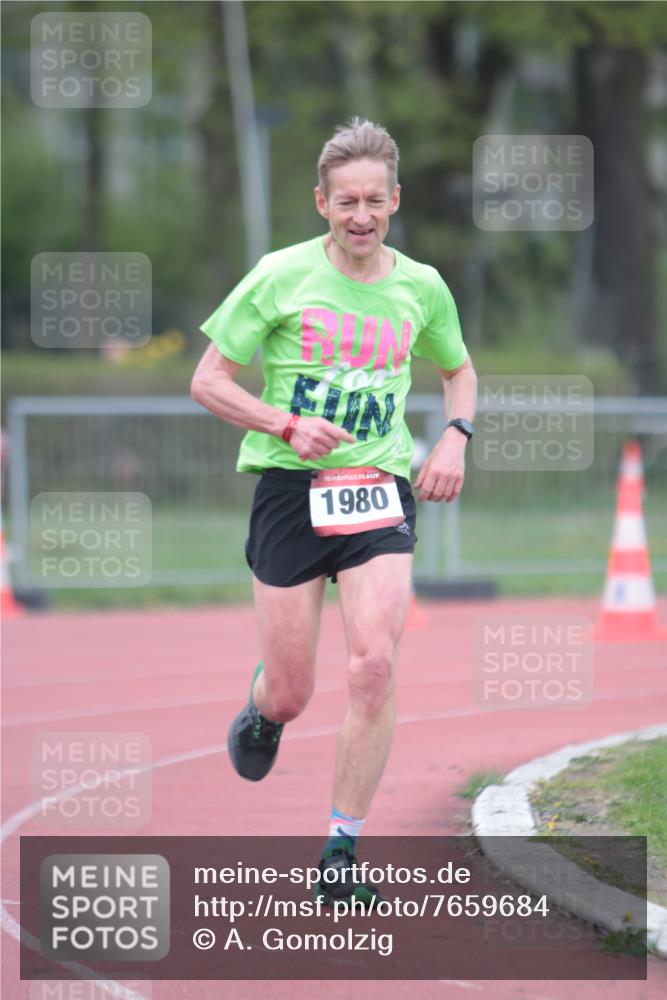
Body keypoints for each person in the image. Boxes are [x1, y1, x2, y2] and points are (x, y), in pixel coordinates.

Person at [191, 118, 477, 905]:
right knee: (292, 691)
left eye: (374, 201)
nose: (360, 216)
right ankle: (262, 710)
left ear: (395, 201)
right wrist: (283, 423)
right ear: (322, 203)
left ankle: (341, 851)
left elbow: (458, 371)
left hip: (377, 485)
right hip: (289, 491)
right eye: (345, 201)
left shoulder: (421, 286)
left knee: (374, 664)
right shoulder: (278, 276)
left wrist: (453, 437)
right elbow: (208, 379)